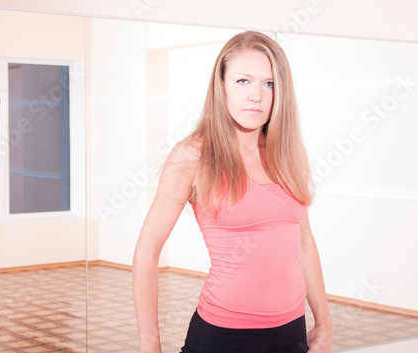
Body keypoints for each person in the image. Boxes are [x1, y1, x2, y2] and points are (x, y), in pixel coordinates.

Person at [132, 31, 333, 353]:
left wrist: (323, 324)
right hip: (224, 335)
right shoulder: (193, 156)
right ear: (221, 85)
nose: (257, 95)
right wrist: (149, 345)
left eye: (269, 84)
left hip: (291, 332)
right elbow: (147, 250)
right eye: (243, 81)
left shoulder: (289, 153)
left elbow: (304, 240)